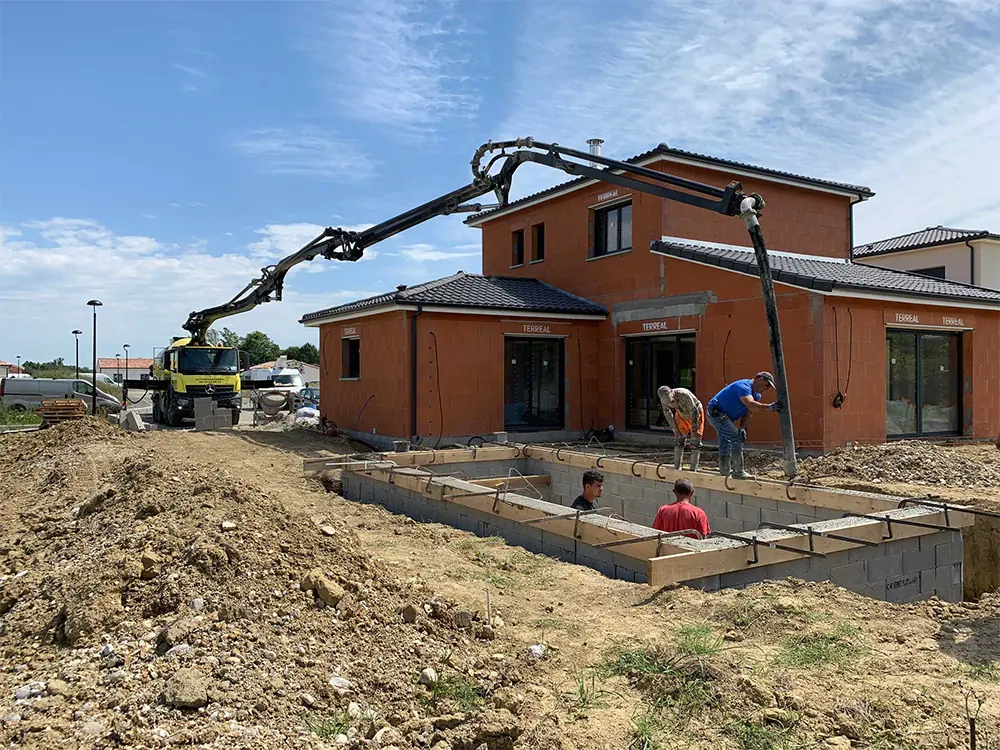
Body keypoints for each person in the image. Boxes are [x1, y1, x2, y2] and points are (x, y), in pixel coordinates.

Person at [706, 372, 782, 479]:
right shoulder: (743, 386)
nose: (767, 388)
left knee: (725, 442)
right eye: (767, 385)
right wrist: (769, 407)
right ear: (759, 379)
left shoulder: (756, 395)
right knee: (736, 438)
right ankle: (738, 472)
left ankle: (725, 471)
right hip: (716, 413)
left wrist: (742, 428)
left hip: (725, 417)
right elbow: (750, 403)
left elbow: (748, 412)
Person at [657, 385, 704, 471]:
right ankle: (677, 467)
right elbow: (667, 413)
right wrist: (675, 429)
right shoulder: (663, 400)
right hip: (681, 414)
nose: (670, 403)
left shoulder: (684, 394)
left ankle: (693, 469)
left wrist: (694, 428)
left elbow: (694, 412)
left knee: (695, 442)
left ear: (672, 393)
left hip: (695, 412)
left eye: (670, 401)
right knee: (679, 440)